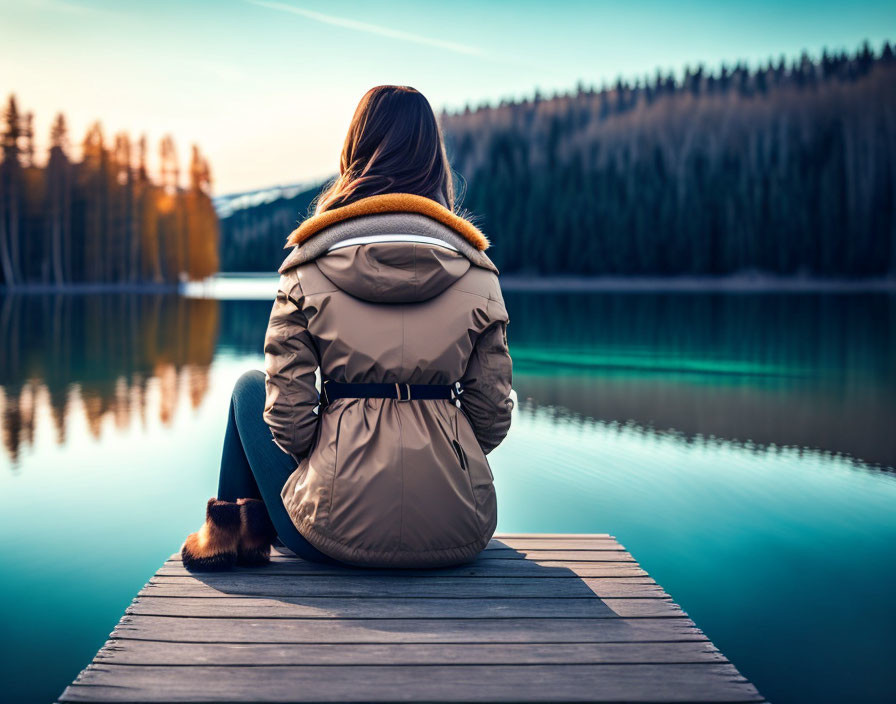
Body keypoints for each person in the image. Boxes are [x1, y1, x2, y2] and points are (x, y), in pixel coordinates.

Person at [181, 85, 513, 570]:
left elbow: (288, 420)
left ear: (354, 153)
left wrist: (336, 462)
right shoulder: (478, 273)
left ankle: (230, 538)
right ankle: (237, 535)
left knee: (248, 388)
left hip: (331, 535)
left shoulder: (306, 267)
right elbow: (491, 417)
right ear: (434, 160)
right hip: (459, 529)